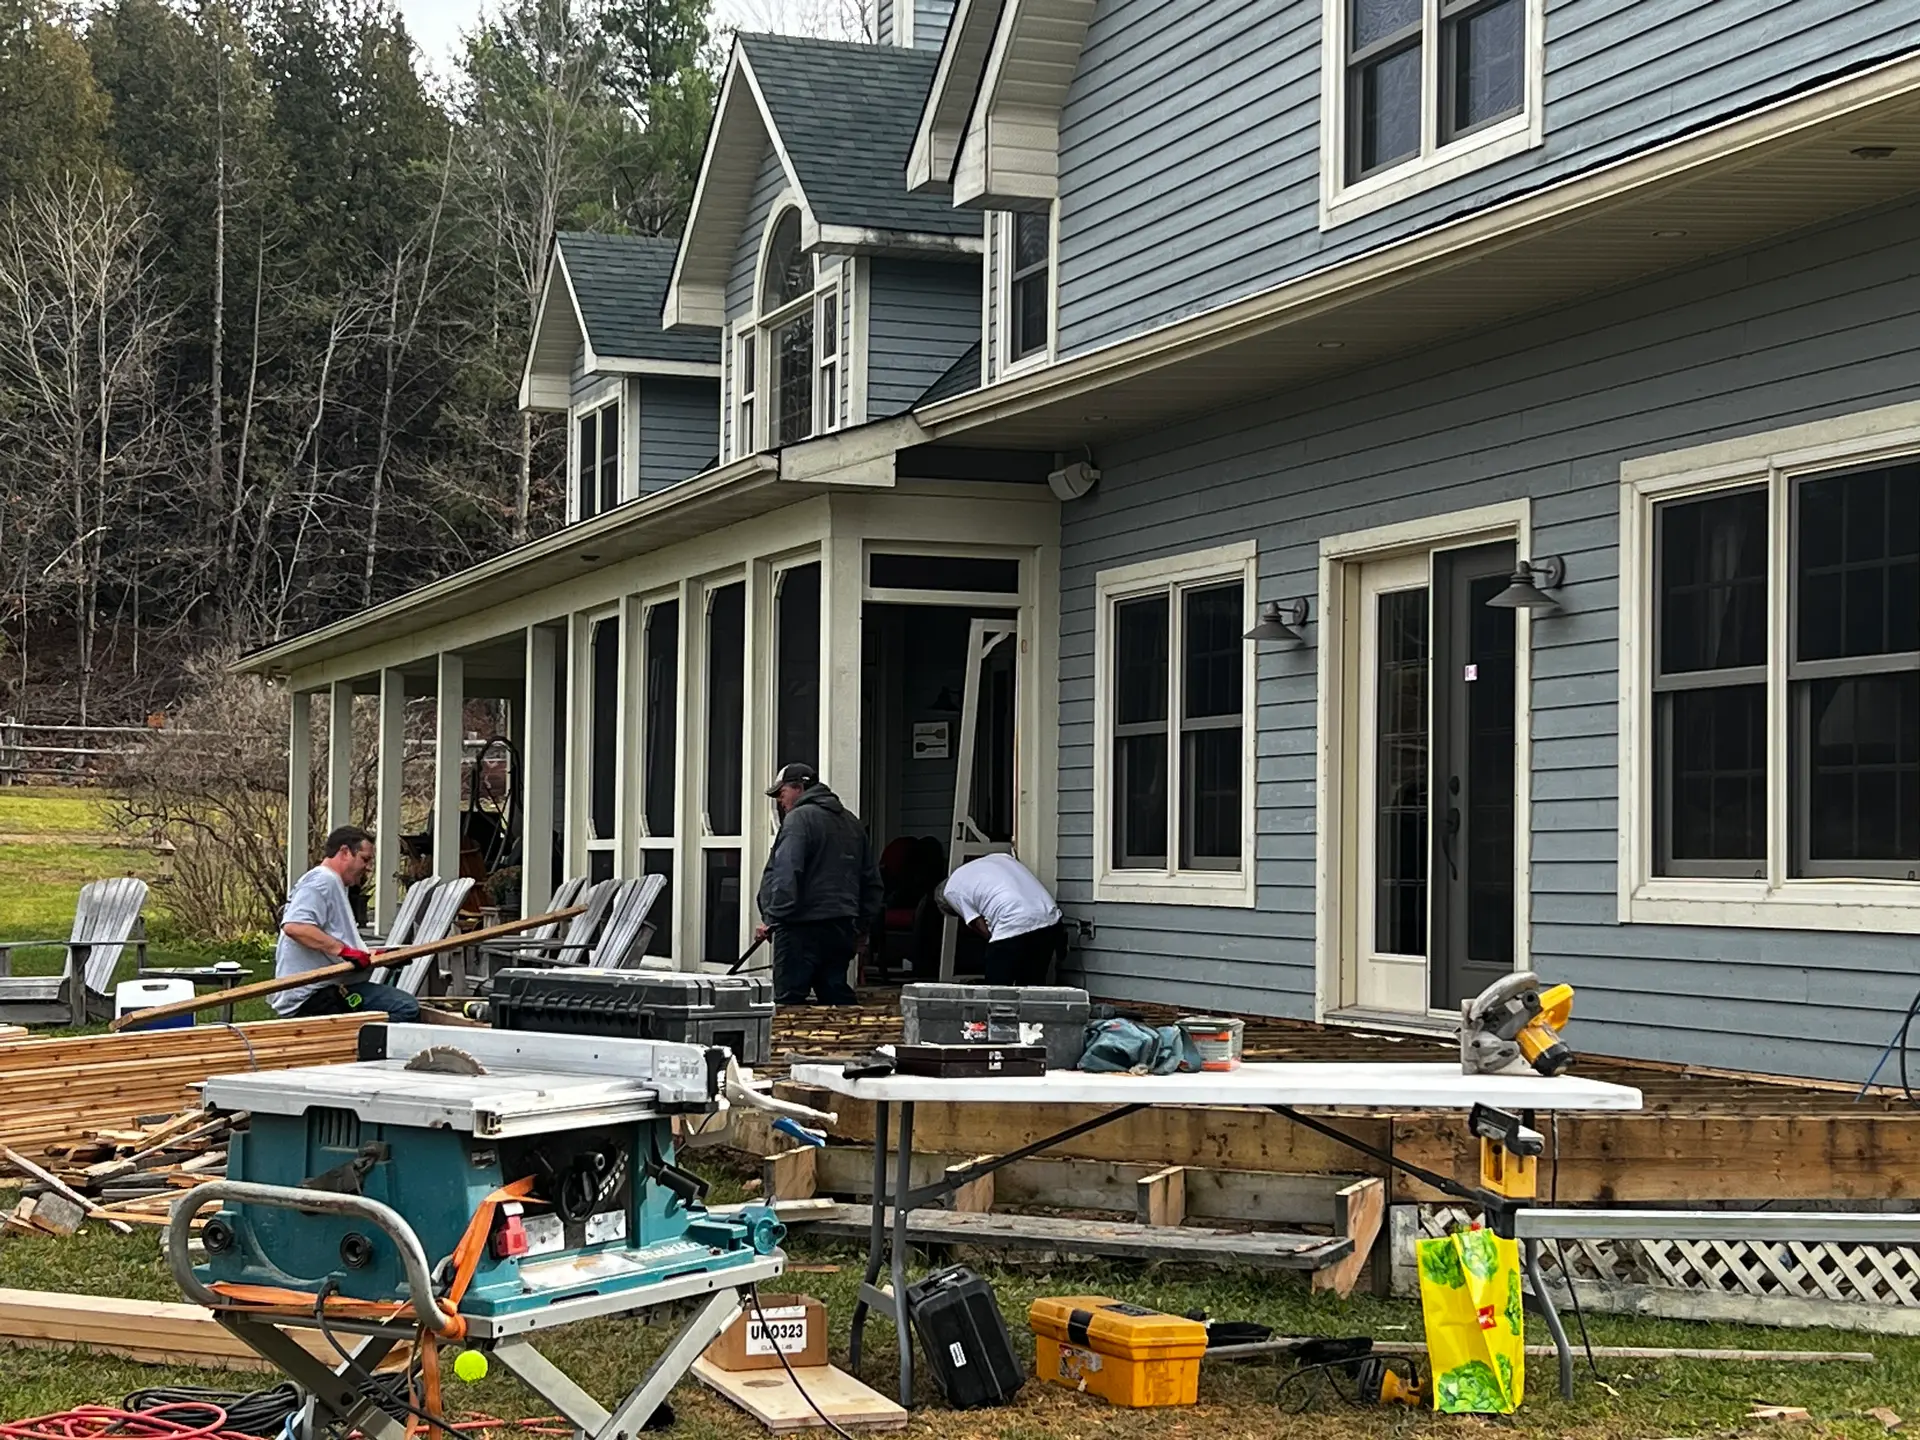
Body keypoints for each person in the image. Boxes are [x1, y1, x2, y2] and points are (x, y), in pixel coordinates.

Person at [755, 763, 883, 1005]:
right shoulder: (851, 823)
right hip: (842, 927)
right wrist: (861, 928)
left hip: (799, 928)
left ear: (798, 788)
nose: (780, 803)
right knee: (836, 998)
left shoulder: (799, 820)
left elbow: (787, 874)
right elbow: (871, 881)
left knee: (787, 1004)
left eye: (781, 794)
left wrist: (773, 919)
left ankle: (788, 1045)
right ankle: (849, 1042)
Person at [272, 826, 421, 1022]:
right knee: (406, 1008)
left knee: (402, 1004)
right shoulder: (322, 881)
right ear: (344, 852)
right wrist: (344, 951)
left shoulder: (332, 883)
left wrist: (377, 956)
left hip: (327, 988)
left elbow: (333, 936)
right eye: (365, 859)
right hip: (314, 996)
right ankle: (351, 1048)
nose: (368, 867)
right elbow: (296, 926)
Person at [936, 852, 1066, 986]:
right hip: (1049, 919)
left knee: (997, 988)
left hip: (1012, 922)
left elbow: (979, 924)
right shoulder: (1000, 857)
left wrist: (992, 944)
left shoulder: (950, 891)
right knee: (1032, 985)